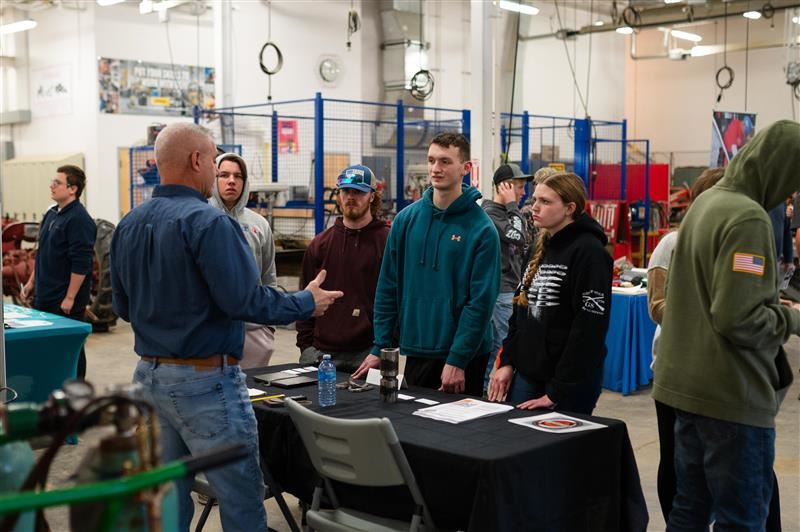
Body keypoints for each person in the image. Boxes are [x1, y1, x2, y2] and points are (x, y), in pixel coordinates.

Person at [110, 123, 343, 532]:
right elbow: (246, 301)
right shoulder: (210, 223)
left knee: (166, 498)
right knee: (240, 498)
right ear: (197, 160)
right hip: (204, 383)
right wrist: (307, 301)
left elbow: (123, 308)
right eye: (214, 159)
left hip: (148, 378)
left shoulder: (128, 224)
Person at [652, 120, 800, 531]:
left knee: (689, 509)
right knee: (742, 518)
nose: (791, 194)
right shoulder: (748, 219)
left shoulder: (706, 203)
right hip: (730, 395)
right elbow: (739, 317)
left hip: (687, 391)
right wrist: (791, 317)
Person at [353, 132, 500, 397]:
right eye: (431, 160)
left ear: (466, 168)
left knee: (461, 435)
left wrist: (457, 359)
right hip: (418, 349)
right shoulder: (405, 220)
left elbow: (480, 303)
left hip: (464, 357)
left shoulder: (482, 229)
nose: (435, 168)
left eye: (445, 161)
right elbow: (388, 287)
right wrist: (380, 346)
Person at [488, 172, 612, 414]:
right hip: (528, 373)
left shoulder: (590, 252)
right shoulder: (537, 246)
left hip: (569, 381)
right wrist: (507, 362)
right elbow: (519, 313)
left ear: (569, 208)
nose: (535, 207)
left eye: (545, 202)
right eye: (535, 200)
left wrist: (558, 390)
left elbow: (588, 328)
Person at [646, 167, 725, 524]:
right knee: (677, 458)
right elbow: (656, 307)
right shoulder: (672, 244)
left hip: (722, 373)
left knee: (724, 460)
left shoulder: (734, 243)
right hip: (675, 371)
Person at [295, 164, 390, 373]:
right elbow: (305, 298)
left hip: (369, 353)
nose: (351, 197)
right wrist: (306, 347)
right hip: (321, 353)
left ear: (372, 196)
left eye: (359, 192)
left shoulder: (388, 241)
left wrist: (382, 347)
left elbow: (398, 299)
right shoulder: (320, 244)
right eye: (346, 191)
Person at [22, 165, 96, 380]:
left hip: (64, 300)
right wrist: (31, 282)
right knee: (47, 346)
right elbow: (42, 252)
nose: (51, 186)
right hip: (45, 294)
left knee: (70, 348)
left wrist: (70, 297)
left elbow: (81, 263)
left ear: (72, 189)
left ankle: (76, 390)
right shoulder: (52, 214)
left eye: (57, 183)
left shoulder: (79, 220)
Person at [209, 152, 278, 369]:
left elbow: (269, 277)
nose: (231, 181)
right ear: (214, 179)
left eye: (238, 176)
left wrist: (268, 326)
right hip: (210, 331)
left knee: (251, 396)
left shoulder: (259, 224)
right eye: (224, 175)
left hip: (253, 331)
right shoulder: (200, 220)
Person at [481, 163, 532, 392]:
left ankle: (481, 390)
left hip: (510, 288)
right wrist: (512, 204)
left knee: (495, 346)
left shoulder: (505, 214)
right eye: (519, 187)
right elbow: (520, 237)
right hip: (501, 291)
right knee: (504, 346)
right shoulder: (492, 214)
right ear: (505, 186)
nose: (522, 193)